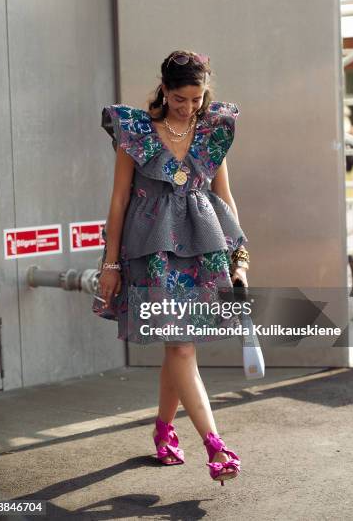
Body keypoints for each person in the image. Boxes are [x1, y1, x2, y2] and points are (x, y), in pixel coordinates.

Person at [92, 50, 250, 486]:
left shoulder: (212, 133)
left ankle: (164, 430)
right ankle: (215, 446)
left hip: (204, 250)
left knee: (178, 348)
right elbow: (119, 201)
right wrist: (110, 263)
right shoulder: (136, 133)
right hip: (150, 255)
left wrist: (240, 257)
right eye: (181, 98)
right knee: (180, 348)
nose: (189, 107)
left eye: (197, 99)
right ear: (164, 89)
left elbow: (225, 197)